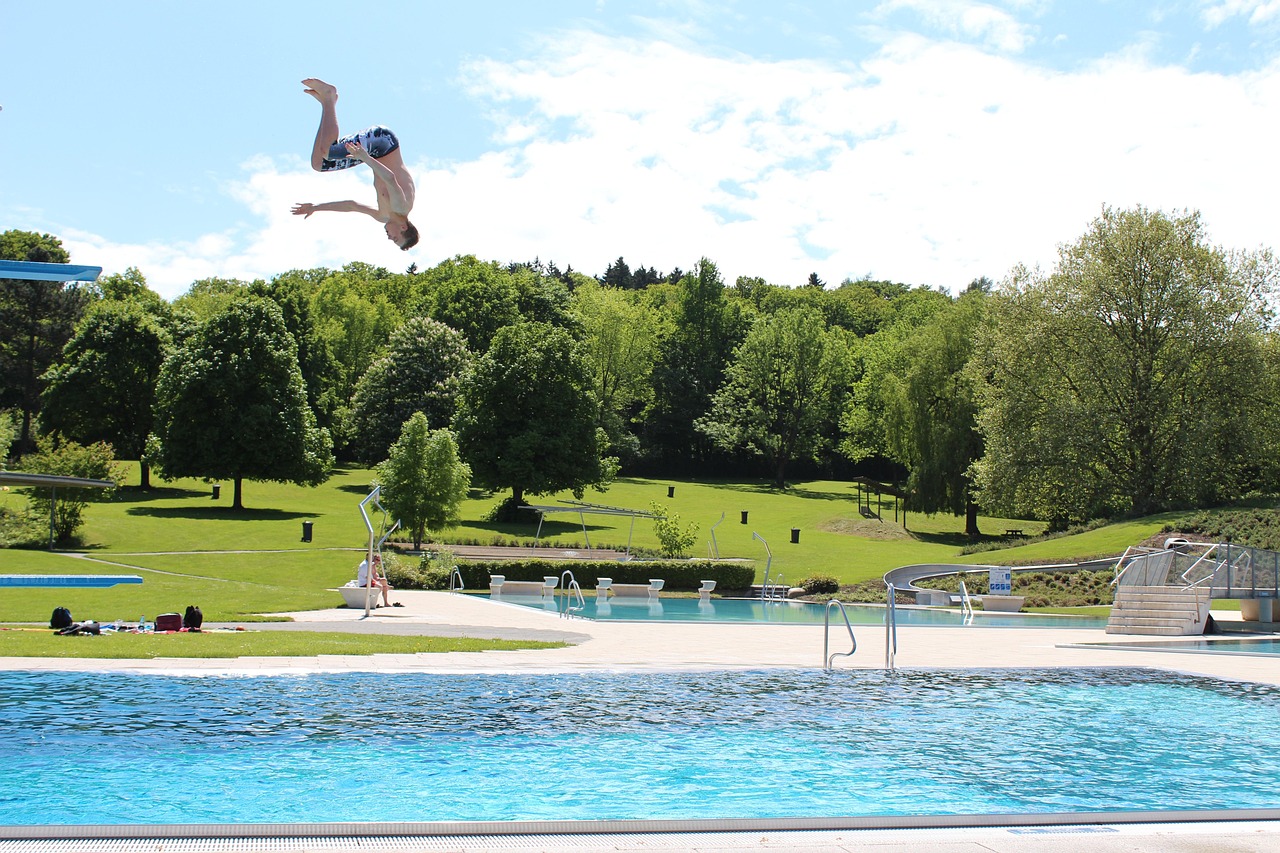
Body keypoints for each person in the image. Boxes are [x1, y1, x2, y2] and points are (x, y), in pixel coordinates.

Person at [292, 78, 419, 250]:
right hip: (384, 142)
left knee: (319, 163)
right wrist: (364, 157)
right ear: (404, 228)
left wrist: (316, 207)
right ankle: (329, 96)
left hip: (371, 154)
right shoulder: (401, 207)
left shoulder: (382, 215)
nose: (389, 238)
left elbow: (352, 205)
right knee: (328, 152)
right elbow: (389, 178)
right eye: (396, 239)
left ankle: (326, 103)